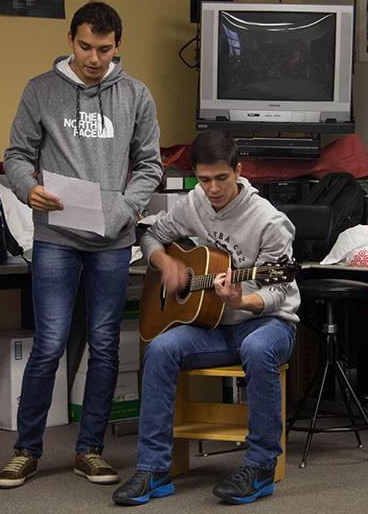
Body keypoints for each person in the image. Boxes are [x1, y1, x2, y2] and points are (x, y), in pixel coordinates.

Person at [0, 1, 162, 488]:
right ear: (71, 40)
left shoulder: (135, 94)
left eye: (104, 50)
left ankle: (90, 449)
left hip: (112, 240)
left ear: (117, 46)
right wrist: (28, 188)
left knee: (105, 345)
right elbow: (16, 155)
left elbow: (150, 165)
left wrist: (125, 209)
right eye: (86, 47)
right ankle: (26, 450)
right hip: (56, 238)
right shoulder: (40, 90)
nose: (94, 58)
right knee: (49, 344)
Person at [111, 131, 299, 506]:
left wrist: (242, 301)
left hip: (269, 323)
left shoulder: (269, 222)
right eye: (205, 179)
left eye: (222, 179)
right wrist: (165, 264)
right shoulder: (192, 202)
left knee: (258, 347)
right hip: (212, 326)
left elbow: (279, 290)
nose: (212, 189)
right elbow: (151, 236)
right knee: (161, 349)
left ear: (239, 171)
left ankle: (260, 467)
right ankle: (153, 469)